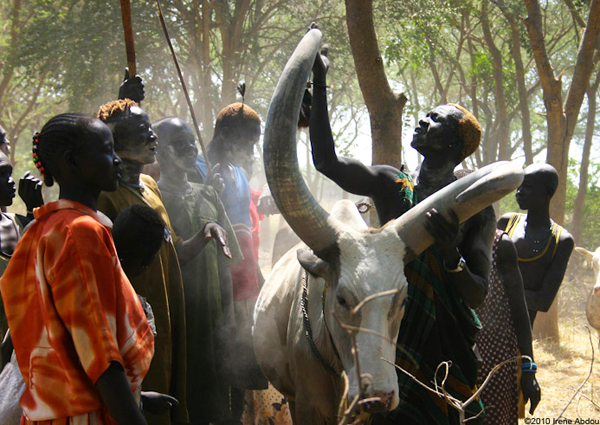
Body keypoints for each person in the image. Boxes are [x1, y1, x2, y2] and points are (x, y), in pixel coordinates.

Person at [310, 50, 495, 423]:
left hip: (444, 351)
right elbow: (326, 162)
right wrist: (320, 80)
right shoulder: (391, 186)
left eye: (436, 120)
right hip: (390, 340)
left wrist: (449, 256)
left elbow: (477, 293)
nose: (423, 120)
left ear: (455, 145)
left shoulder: (476, 208)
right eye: (425, 114)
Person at [0, 113, 153, 424]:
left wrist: (137, 398)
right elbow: (99, 355)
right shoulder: (80, 233)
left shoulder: (42, 228)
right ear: (71, 161)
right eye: (107, 151)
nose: (116, 160)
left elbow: (54, 343)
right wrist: (131, 413)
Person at [153, 116, 242, 425]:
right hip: (179, 319)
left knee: (217, 401)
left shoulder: (209, 194)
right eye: (180, 144)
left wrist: (229, 317)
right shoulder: (153, 199)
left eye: (192, 141)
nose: (191, 148)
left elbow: (226, 261)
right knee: (182, 395)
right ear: (160, 152)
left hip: (214, 317)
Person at [189, 102, 269, 422]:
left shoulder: (238, 174)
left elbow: (246, 238)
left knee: (240, 375)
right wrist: (204, 192)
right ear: (224, 135)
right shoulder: (195, 168)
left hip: (243, 289)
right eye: (248, 142)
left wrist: (260, 279)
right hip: (213, 288)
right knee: (214, 371)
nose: (252, 150)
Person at [476, 229, 541, 423]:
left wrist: (529, 369)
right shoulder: (433, 240)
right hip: (449, 359)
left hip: (495, 363)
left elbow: (520, 311)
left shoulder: (500, 244)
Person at [497, 163, 574, 326]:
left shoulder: (561, 240)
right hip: (482, 322)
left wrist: (496, 290)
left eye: (528, 187)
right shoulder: (507, 222)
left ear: (548, 192)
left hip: (519, 331)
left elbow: (543, 301)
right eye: (519, 186)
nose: (519, 192)